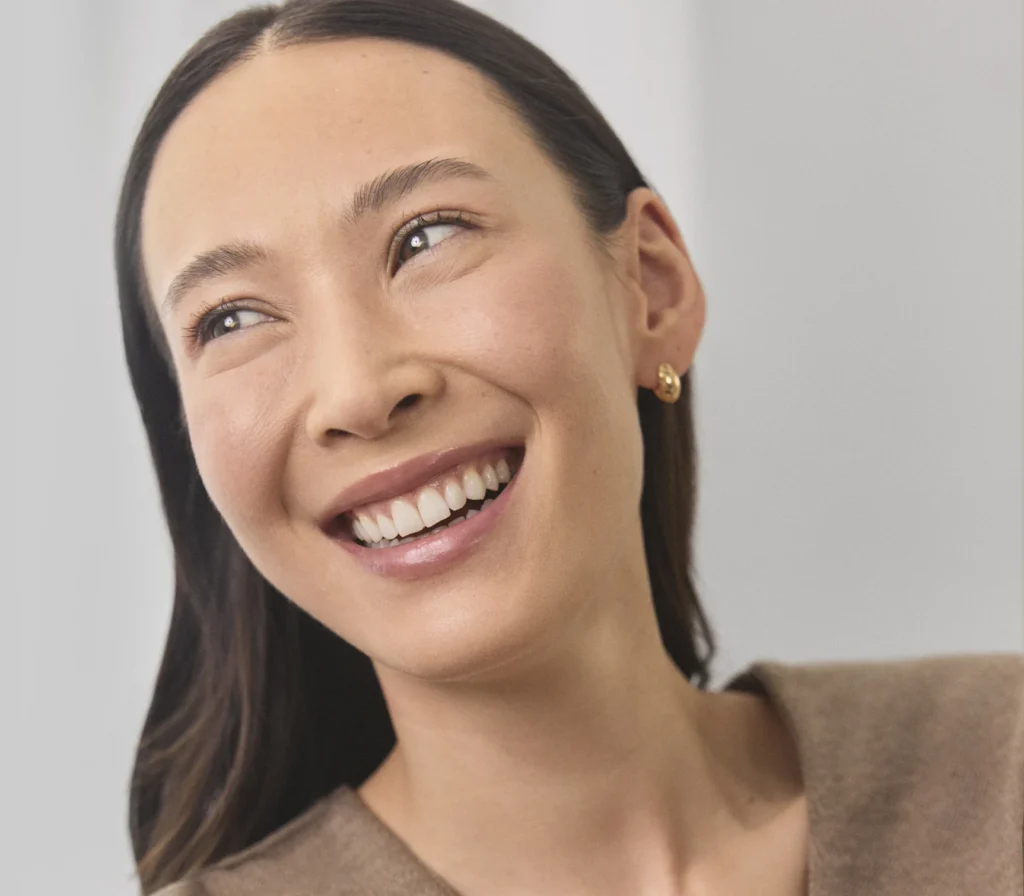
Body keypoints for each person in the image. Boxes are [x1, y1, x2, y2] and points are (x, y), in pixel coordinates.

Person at [114, 1, 1024, 894]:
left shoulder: (1002, 763)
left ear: (650, 291)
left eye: (427, 237)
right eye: (231, 318)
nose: (357, 391)